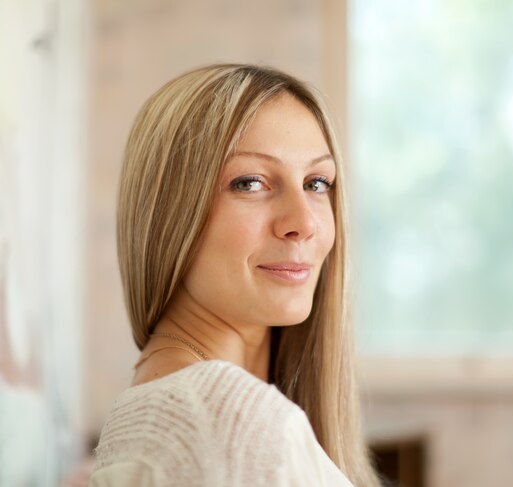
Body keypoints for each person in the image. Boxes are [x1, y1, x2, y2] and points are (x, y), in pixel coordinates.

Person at [87, 64, 381, 487]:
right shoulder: (231, 426)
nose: (303, 222)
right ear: (167, 214)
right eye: (250, 183)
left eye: (317, 183)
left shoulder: (168, 409)